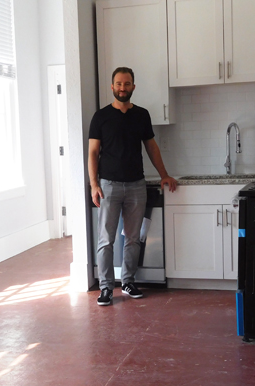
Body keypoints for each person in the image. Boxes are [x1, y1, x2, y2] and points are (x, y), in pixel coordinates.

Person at [88, 67, 177, 306]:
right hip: (108, 186)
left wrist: (164, 175)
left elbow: (151, 147)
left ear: (133, 87)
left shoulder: (142, 115)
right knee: (106, 240)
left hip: (137, 185)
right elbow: (93, 152)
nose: (122, 88)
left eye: (127, 84)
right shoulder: (101, 117)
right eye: (118, 83)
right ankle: (106, 288)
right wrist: (94, 184)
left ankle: (127, 281)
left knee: (133, 239)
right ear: (112, 86)